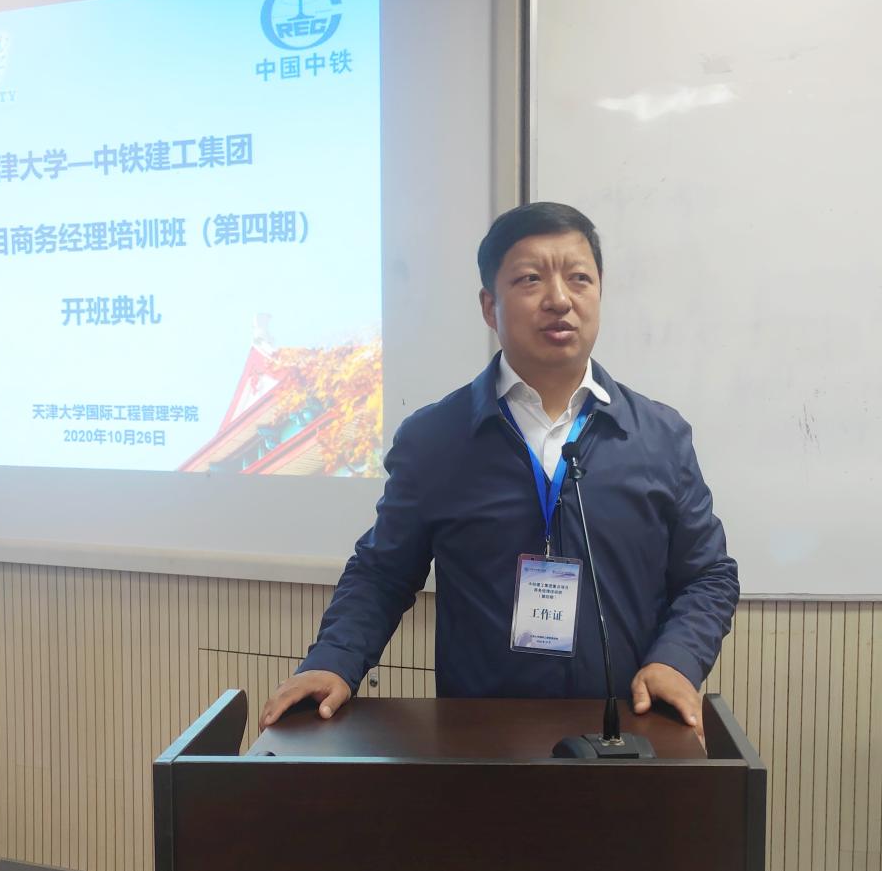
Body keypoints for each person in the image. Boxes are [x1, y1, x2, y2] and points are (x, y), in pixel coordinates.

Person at [260, 202, 739, 743]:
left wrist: (677, 661)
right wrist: (332, 661)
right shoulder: (436, 440)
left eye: (579, 278)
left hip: (625, 735)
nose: (560, 299)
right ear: (490, 306)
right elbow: (383, 572)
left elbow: (708, 575)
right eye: (531, 279)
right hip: (481, 741)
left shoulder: (658, 436)